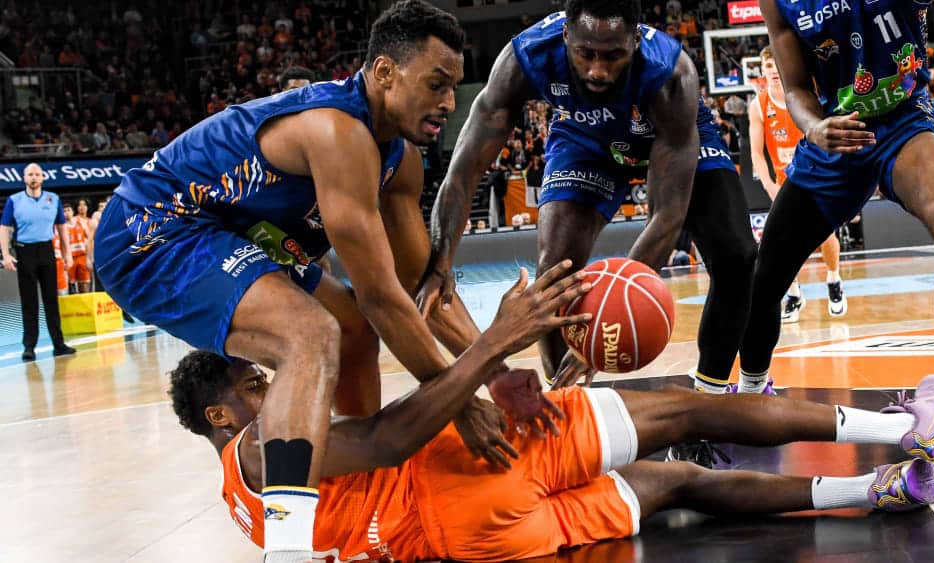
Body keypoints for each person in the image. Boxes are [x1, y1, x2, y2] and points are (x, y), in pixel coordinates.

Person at [93, 3, 544, 561]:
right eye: (435, 84)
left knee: (351, 329)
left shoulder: (400, 160)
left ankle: (359, 487)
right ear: (385, 72)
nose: (449, 103)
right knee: (309, 333)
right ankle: (288, 548)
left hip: (236, 234)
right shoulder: (337, 132)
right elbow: (381, 297)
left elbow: (417, 288)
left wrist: (495, 376)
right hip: (151, 231)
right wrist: (458, 397)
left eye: (453, 87)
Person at [171, 324, 934, 561]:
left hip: (477, 539)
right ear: (220, 415)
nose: (270, 388)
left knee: (678, 483)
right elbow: (389, 435)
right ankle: (906, 428)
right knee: (689, 410)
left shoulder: (244, 508)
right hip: (469, 466)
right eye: (252, 383)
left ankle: (878, 488)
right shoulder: (263, 444)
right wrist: (492, 350)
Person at [422, 0, 759, 396]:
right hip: (586, 136)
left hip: (667, 130)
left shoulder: (670, 72)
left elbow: (667, 215)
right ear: (565, 35)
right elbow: (463, 171)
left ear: (635, 41)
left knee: (737, 255)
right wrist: (441, 260)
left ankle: (710, 394)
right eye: (585, 53)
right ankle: (563, 400)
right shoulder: (525, 57)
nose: (598, 70)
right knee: (554, 271)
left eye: (613, 55)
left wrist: (604, 319)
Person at [749, 0, 934, 469]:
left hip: (904, 121)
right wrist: (814, 127)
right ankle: (750, 393)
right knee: (765, 275)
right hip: (837, 131)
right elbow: (797, 86)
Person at [748, 46, 845, 323]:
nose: (772, 71)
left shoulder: (805, 96)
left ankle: (834, 279)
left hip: (815, 175)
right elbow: (756, 154)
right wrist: (769, 185)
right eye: (767, 67)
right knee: (779, 242)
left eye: (775, 65)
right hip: (784, 181)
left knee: (825, 234)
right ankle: (793, 294)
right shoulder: (759, 106)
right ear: (762, 71)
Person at [0, 163, 77, 360]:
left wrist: (67, 253)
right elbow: (4, 228)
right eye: (30, 174)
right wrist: (6, 254)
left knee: (51, 299)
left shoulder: (53, 199)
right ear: (24, 178)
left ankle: (59, 344)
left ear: (42, 177)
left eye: (36, 174)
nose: (33, 177)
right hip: (25, 251)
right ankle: (29, 347)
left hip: (47, 250)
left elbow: (62, 227)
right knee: (29, 301)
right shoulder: (14, 200)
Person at [62, 203, 91, 293]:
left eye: (68, 210)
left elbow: (89, 239)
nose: (67, 213)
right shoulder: (62, 226)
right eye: (64, 211)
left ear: (73, 212)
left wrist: (89, 258)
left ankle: (86, 302)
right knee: (72, 286)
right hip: (70, 259)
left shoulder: (81, 222)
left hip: (82, 257)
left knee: (84, 284)